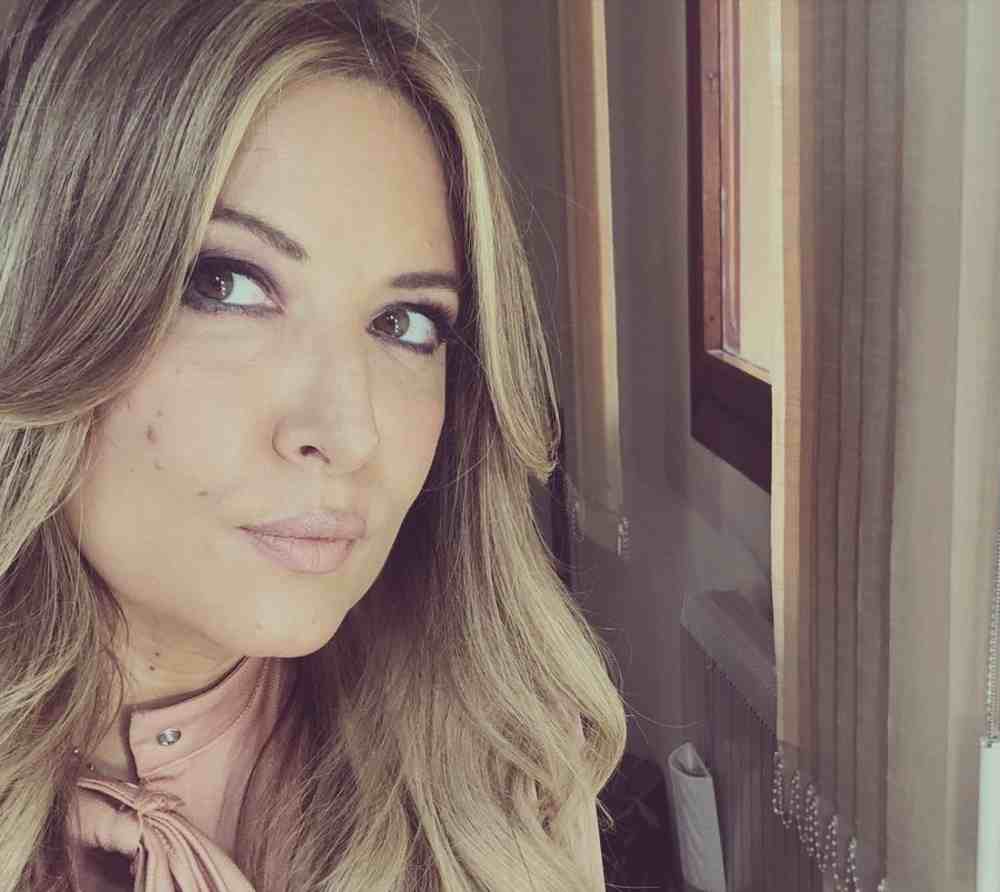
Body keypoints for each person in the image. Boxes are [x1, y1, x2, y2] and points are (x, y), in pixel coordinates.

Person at [0, 0, 627, 888]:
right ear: (43, 299)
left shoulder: (500, 770)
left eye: (404, 323)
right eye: (225, 284)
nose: (349, 432)